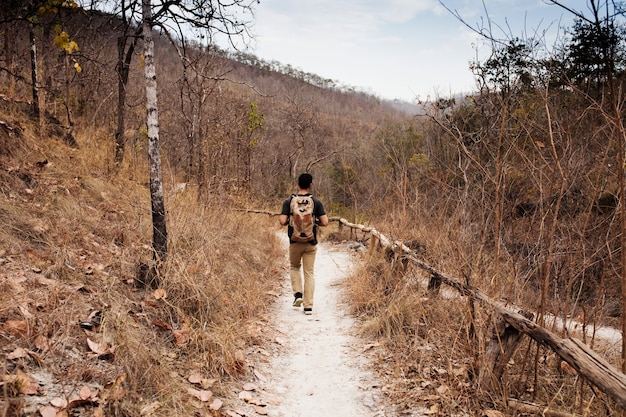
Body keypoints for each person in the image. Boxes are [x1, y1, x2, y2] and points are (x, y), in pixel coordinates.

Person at [279, 173, 329, 315]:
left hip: (294, 241)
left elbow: (282, 221)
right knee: (309, 273)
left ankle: (298, 295)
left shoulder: (289, 201)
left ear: (298, 184)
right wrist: (315, 221)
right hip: (310, 242)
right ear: (310, 184)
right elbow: (325, 222)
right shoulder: (316, 202)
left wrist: (291, 219)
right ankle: (308, 306)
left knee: (295, 267)